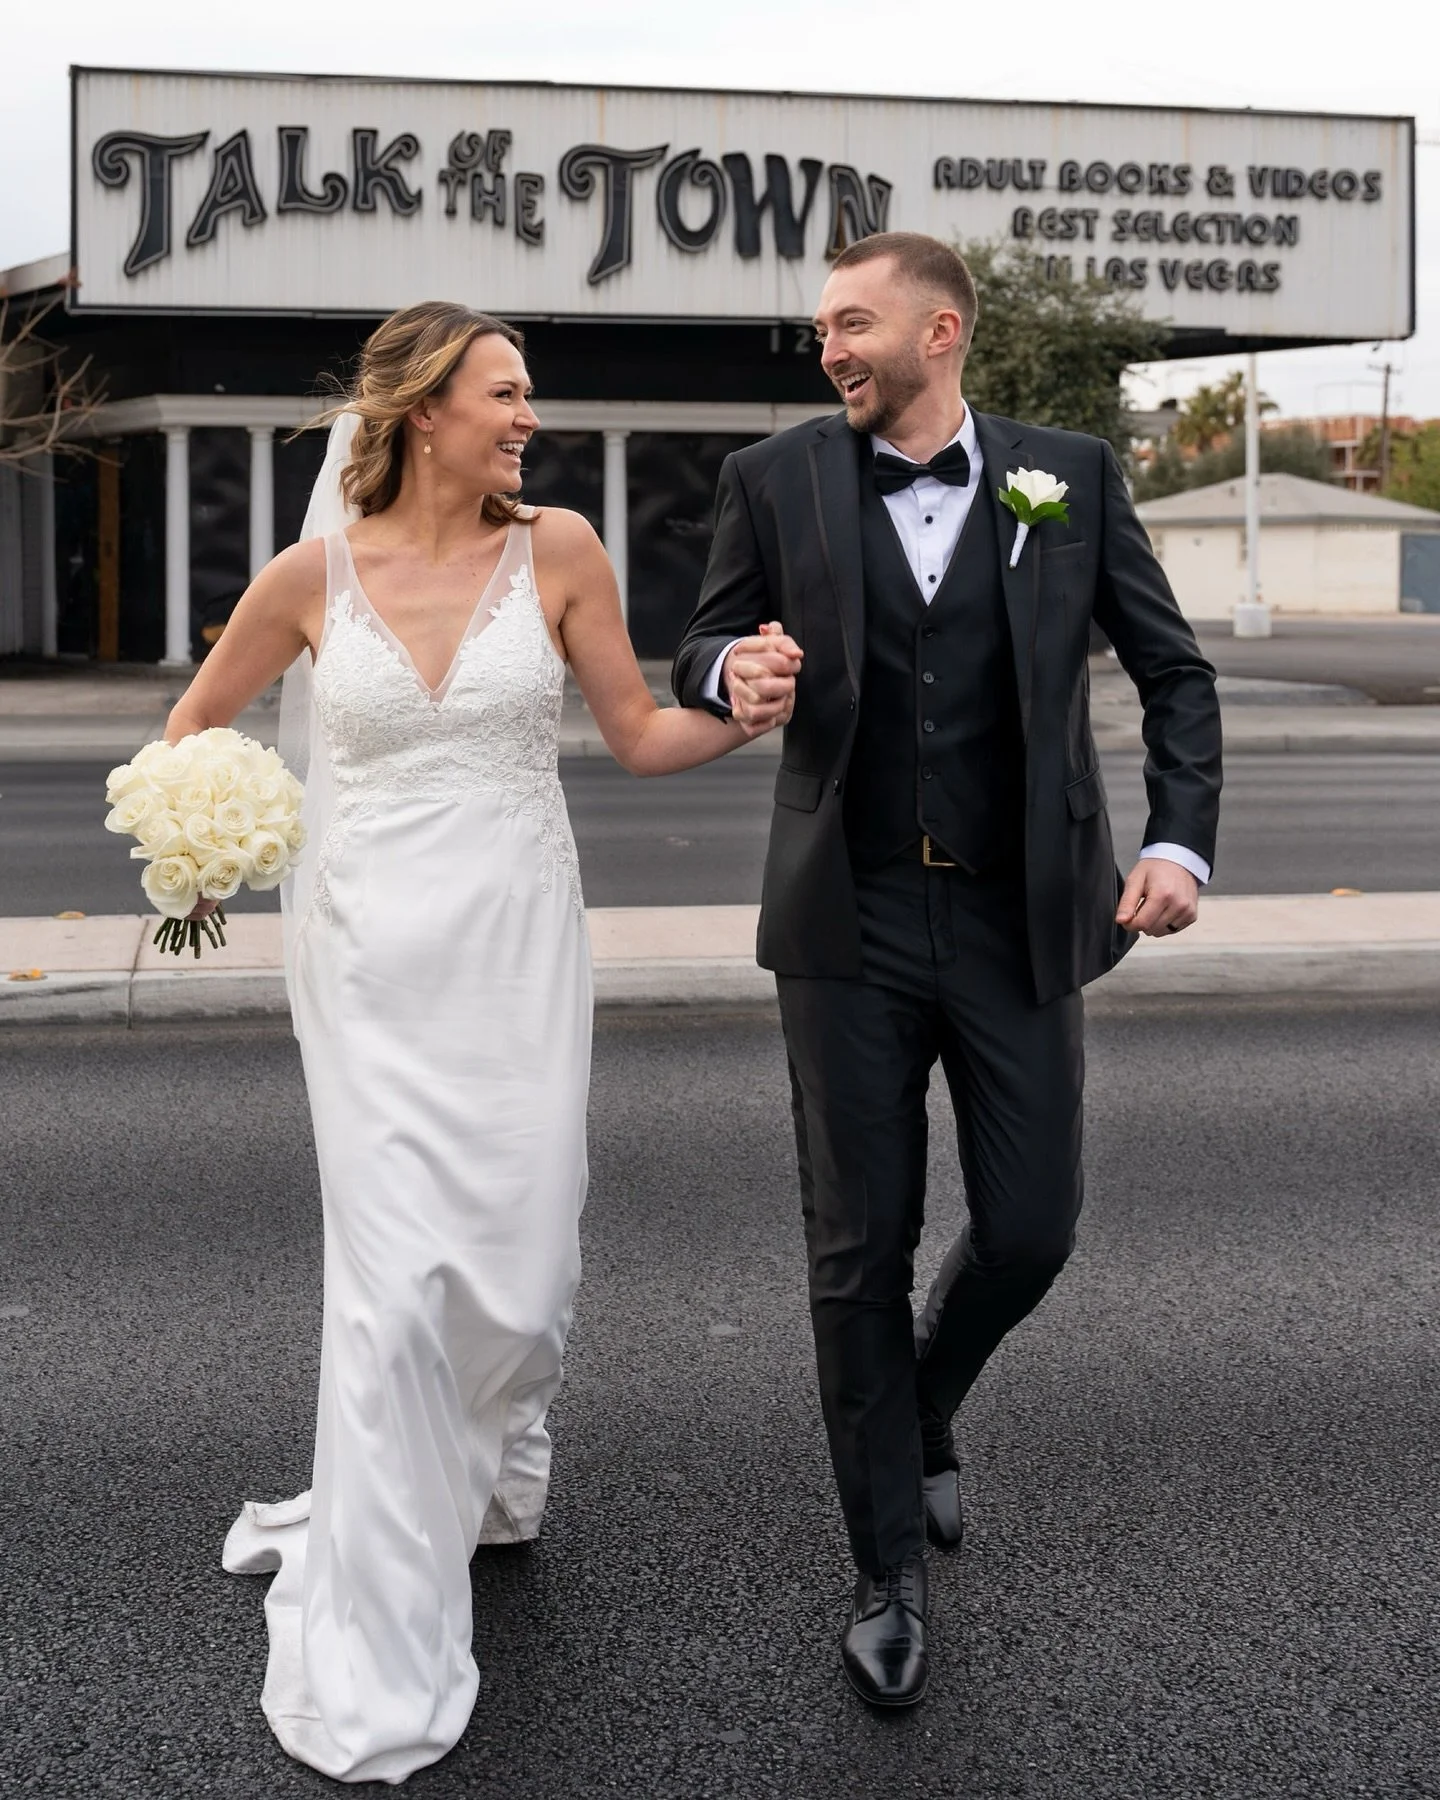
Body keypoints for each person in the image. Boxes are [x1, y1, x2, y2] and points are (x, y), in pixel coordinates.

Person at [161, 301, 800, 1782]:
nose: (528, 416)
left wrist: (746, 710)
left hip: (516, 941)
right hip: (369, 958)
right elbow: (191, 731)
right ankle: (383, 1631)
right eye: (504, 393)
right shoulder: (309, 576)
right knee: (395, 1294)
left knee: (522, 1270)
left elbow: (640, 734)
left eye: (527, 393)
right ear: (422, 412)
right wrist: (200, 844)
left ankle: (494, 1470)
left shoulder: (561, 550)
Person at [673, 232, 1221, 1709]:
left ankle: (922, 1401)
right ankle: (885, 1574)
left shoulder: (1071, 475)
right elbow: (701, 641)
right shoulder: (773, 477)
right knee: (857, 1248)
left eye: (852, 323)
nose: (829, 349)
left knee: (1033, 1229)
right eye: (820, 329)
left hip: (1017, 915)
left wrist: (1178, 842)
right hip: (845, 921)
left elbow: (1174, 672)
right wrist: (730, 673)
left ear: (941, 331)